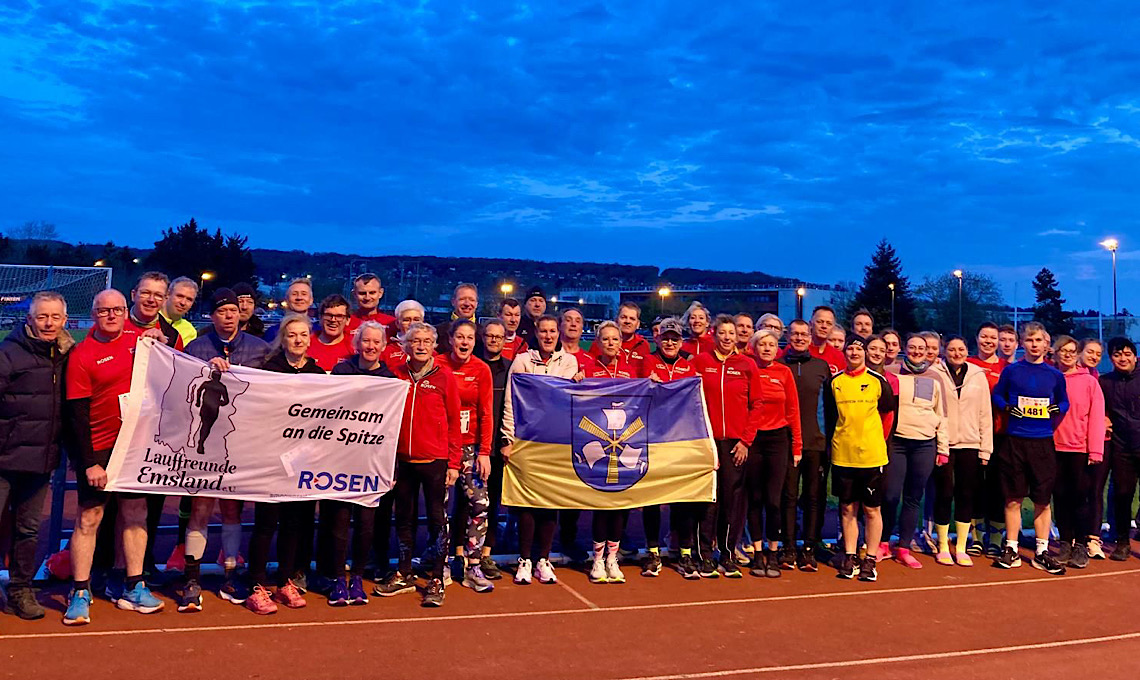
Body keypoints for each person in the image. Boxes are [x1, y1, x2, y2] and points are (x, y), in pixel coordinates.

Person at [63, 289, 163, 625]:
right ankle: (80, 591)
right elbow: (77, 413)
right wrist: (88, 460)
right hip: (100, 448)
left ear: (125, 311)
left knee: (136, 513)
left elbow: (174, 366)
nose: (112, 315)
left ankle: (135, 585)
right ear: (94, 314)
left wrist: (160, 340)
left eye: (118, 309)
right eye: (104, 310)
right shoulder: (82, 354)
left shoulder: (143, 343)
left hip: (135, 446)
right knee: (89, 517)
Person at [180, 288, 271, 612]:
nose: (229, 315)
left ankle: (230, 570)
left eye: (234, 310)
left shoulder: (260, 349)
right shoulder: (196, 347)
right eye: (222, 311)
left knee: (233, 509)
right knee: (202, 509)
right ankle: (192, 577)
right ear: (212, 316)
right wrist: (206, 369)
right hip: (205, 445)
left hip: (241, 443)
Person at [244, 313, 325, 614]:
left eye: (303, 335)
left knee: (294, 524)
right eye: (292, 335)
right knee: (266, 524)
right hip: (271, 459)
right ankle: (256, 584)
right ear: (283, 338)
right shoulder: (269, 371)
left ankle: (284, 581)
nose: (299, 340)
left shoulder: (318, 374)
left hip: (302, 460)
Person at [378, 323, 461, 607]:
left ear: (434, 345)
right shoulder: (397, 375)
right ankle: (404, 572)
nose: (421, 345)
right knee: (404, 518)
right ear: (406, 345)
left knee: (437, 520)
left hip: (435, 460)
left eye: (427, 341)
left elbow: (454, 421)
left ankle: (437, 577)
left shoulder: (444, 377)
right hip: (403, 460)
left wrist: (454, 462)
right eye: (416, 341)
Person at [0, 292, 72, 620]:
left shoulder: (68, 355)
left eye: (55, 317)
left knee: (28, 530)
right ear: (30, 319)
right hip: (3, 459)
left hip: (41, 462)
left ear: (64, 321)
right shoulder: (9, 353)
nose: (48, 323)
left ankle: (20, 589)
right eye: (42, 316)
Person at [501, 315, 579, 584]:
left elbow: (569, 401)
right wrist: (507, 438)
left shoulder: (569, 362)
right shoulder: (522, 361)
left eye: (552, 331)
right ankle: (524, 559)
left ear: (558, 334)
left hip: (556, 443)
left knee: (550, 503)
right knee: (527, 503)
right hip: (527, 441)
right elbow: (511, 400)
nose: (548, 336)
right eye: (543, 331)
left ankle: (542, 559)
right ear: (536, 332)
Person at [322, 321, 396, 606]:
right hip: (341, 461)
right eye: (366, 341)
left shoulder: (391, 380)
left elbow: (391, 428)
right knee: (339, 523)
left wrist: (390, 468)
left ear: (384, 346)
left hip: (372, 464)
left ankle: (357, 579)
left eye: (377, 342)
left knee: (367, 524)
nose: (371, 346)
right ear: (358, 343)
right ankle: (338, 578)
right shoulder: (342, 371)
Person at [991, 321, 1068, 573]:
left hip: (1043, 442)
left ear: (1047, 344)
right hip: (1014, 440)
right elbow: (998, 395)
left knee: (1042, 500)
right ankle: (1011, 548)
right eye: (1029, 341)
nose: (1034, 345)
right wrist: (1006, 407)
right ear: (1022, 343)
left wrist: (1058, 409)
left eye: (1039, 341)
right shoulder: (1012, 371)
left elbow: (1064, 402)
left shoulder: (1055, 375)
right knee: (1013, 498)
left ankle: (1042, 551)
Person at [693, 315, 764, 578]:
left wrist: (746, 440)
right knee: (708, 499)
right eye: (722, 332)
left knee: (731, 500)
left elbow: (756, 404)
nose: (726, 337)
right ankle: (705, 554)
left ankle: (727, 552)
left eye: (731, 333)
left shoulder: (746, 365)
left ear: (737, 337)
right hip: (707, 442)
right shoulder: (701, 362)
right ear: (714, 334)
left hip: (736, 443)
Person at [823, 335, 897, 581]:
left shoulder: (878, 381)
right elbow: (831, 418)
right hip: (843, 456)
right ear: (844, 352)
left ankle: (871, 559)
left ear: (865, 353)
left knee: (872, 509)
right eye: (850, 349)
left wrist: (878, 442)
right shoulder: (834, 382)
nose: (854, 353)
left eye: (859, 349)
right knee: (847, 508)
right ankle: (851, 556)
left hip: (871, 457)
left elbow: (888, 414)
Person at [437, 320, 496, 593]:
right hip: (440, 447)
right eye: (459, 337)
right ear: (450, 339)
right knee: (441, 508)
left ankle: (473, 565)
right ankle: (443, 561)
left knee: (480, 505)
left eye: (469, 338)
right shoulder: (437, 364)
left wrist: (484, 452)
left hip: (470, 448)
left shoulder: (481, 369)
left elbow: (486, 413)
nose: (464, 342)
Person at [882, 334, 948, 569]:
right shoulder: (892, 374)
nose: (917, 351)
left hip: (924, 445)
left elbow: (942, 415)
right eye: (912, 347)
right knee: (890, 495)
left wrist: (943, 449)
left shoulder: (935, 378)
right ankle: (882, 542)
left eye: (922, 348)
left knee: (913, 498)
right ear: (905, 349)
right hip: (897, 444)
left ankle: (904, 547)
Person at [640, 317, 699, 577]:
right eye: (666, 338)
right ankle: (652, 551)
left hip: (680, 441)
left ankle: (684, 552)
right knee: (652, 497)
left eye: (675, 338)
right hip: (652, 439)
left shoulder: (689, 367)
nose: (670, 342)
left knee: (682, 497)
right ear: (658, 339)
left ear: (681, 341)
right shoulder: (647, 363)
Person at [580, 321, 637, 584]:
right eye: (606, 339)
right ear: (598, 342)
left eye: (615, 339)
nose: (611, 343)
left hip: (624, 443)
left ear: (621, 343)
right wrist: (577, 382)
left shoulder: (630, 371)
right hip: (597, 444)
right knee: (601, 505)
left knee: (620, 506)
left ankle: (613, 558)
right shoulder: (589, 368)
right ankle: (597, 559)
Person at [931, 336, 993, 567]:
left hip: (971, 444)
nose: (957, 353)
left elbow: (984, 414)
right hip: (944, 443)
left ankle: (961, 546)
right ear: (945, 351)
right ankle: (943, 545)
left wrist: (985, 449)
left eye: (961, 349)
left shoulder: (978, 376)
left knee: (966, 495)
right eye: (952, 349)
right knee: (945, 493)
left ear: (968, 350)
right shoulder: (935, 373)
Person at [745, 329, 802, 578]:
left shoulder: (784, 372)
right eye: (762, 344)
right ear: (754, 347)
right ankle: (758, 553)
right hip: (753, 438)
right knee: (755, 498)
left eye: (771, 344)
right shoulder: (748, 370)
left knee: (774, 500)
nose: (767, 348)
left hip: (778, 439)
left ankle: (773, 551)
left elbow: (793, 410)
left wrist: (797, 445)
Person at [778, 319, 831, 572]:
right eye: (795, 333)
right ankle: (788, 546)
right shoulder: (778, 366)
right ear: (788, 335)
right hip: (785, 443)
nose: (799, 338)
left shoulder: (822, 367)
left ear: (810, 338)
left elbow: (830, 408)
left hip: (816, 443)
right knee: (787, 497)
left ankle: (809, 547)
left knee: (813, 497)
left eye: (803, 334)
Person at [1050, 335, 1105, 569]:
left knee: (1080, 499)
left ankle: (1080, 544)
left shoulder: (1090, 382)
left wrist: (1095, 451)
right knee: (1060, 498)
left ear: (1077, 354)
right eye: (1063, 350)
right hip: (1053, 448)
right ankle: (1064, 542)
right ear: (1056, 353)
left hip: (1080, 449)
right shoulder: (1050, 378)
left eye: (1072, 351)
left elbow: (1096, 418)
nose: (1068, 354)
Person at [967, 322, 1010, 557]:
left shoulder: (1007, 368)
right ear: (977, 338)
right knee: (974, 486)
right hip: (972, 435)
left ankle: (995, 536)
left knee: (997, 487)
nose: (989, 341)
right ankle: (975, 535)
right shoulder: (968, 365)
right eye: (984, 336)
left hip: (1000, 434)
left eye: (993, 338)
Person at [476, 320, 511, 579]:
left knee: (493, 501)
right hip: (471, 445)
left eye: (499, 337)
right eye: (489, 336)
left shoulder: (511, 370)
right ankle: (461, 553)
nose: (494, 340)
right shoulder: (473, 365)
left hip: (498, 446)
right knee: (467, 504)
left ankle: (486, 553)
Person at [1101, 337, 1140, 562]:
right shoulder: (1106, 382)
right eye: (1117, 355)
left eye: (1126, 354)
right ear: (1111, 357)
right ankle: (1123, 542)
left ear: (1134, 355)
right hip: (1122, 448)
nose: (1122, 358)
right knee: (1123, 496)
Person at [1079, 338, 1110, 558]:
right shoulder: (1069, 374)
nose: (1094, 357)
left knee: (1096, 490)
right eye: (1090, 352)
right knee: (1075, 491)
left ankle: (1093, 538)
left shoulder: (1098, 377)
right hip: (1075, 442)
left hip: (1099, 441)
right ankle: (1073, 536)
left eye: (1098, 354)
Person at [125, 271, 183, 350]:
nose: (151, 300)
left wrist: (164, 346)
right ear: (133, 295)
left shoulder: (173, 337)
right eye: (145, 293)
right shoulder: (113, 323)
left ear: (165, 300)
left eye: (158, 295)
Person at [590, 302, 649, 370]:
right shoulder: (600, 343)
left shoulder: (643, 345)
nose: (627, 321)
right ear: (616, 320)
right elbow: (590, 368)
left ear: (638, 324)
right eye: (623, 317)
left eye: (632, 319)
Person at [308, 294, 355, 372]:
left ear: (348, 320)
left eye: (339, 316)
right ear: (320, 317)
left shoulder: (354, 347)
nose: (333, 320)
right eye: (328, 315)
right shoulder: (306, 343)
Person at [345, 273, 396, 340]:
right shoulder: (346, 323)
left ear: (380, 293)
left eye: (372, 293)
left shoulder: (392, 324)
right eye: (362, 293)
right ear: (354, 294)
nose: (367, 298)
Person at [264, 277, 314, 344]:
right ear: (287, 300)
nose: (299, 297)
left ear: (311, 300)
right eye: (294, 294)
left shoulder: (319, 332)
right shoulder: (273, 332)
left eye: (304, 294)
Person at [436, 283, 479, 355]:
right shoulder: (438, 332)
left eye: (472, 300)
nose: (467, 304)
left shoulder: (483, 333)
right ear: (453, 302)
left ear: (476, 304)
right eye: (462, 299)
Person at [383, 299, 424, 371]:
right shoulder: (386, 351)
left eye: (416, 320)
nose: (412, 324)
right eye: (406, 320)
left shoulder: (430, 351)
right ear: (398, 324)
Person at [160, 277, 200, 347]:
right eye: (179, 296)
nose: (183, 303)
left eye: (189, 299)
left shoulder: (190, 331)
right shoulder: (152, 317)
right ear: (168, 294)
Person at [559, 307, 596, 375]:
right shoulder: (550, 356)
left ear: (582, 327)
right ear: (559, 325)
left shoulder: (590, 360)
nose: (573, 324)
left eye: (578, 321)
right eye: (568, 320)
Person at [807, 306, 844, 375]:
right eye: (820, 322)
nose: (824, 326)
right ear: (810, 324)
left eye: (829, 323)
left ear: (833, 328)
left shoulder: (839, 356)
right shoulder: (797, 350)